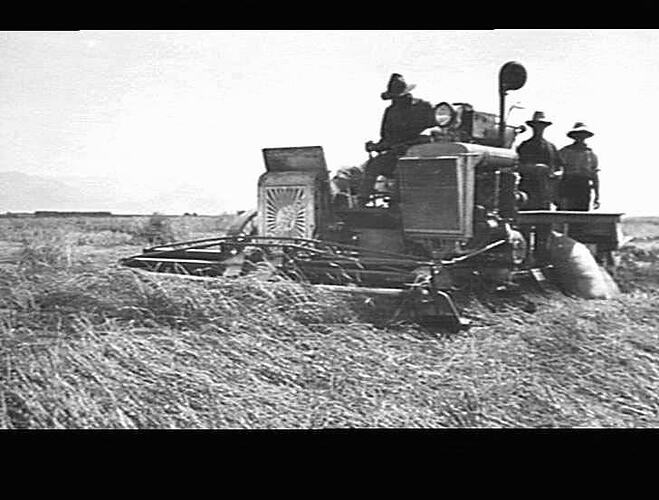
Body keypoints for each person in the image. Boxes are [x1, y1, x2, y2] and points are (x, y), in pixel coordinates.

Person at [357, 73, 435, 206]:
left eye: (399, 98)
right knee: (373, 165)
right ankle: (362, 201)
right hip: (395, 154)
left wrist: (408, 145)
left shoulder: (423, 107)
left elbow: (431, 135)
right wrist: (375, 146)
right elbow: (386, 139)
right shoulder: (390, 111)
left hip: (420, 154)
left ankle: (396, 203)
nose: (396, 101)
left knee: (402, 167)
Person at [516, 111, 564, 210]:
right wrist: (534, 168)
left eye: (541, 126)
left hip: (545, 188)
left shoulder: (551, 147)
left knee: (543, 219)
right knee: (526, 217)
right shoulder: (525, 146)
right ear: (532, 127)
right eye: (536, 126)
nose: (539, 128)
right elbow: (516, 165)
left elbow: (560, 168)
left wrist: (555, 175)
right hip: (528, 186)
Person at [558, 122, 600, 211]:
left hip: (583, 187)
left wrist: (597, 196)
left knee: (582, 216)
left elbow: (594, 176)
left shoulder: (591, 154)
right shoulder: (564, 152)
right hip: (568, 185)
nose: (580, 137)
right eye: (578, 135)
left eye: (583, 135)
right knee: (565, 214)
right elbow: (556, 171)